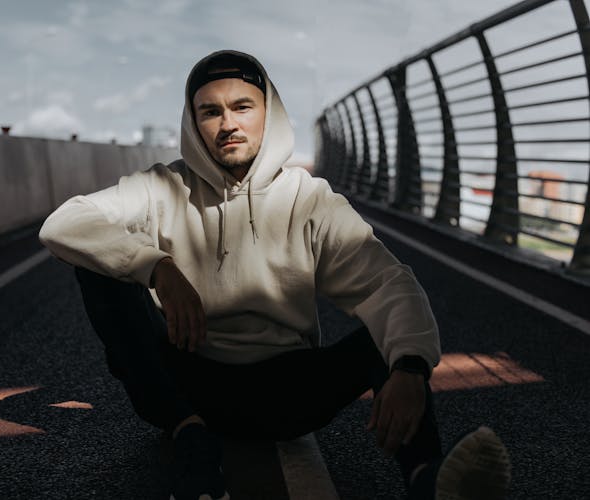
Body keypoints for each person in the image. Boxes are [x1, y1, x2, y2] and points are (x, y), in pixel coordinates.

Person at [38, 50, 511, 500]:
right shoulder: (163, 185)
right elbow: (64, 222)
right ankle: (192, 440)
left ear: (270, 112)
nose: (227, 125)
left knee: (388, 338)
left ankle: (428, 479)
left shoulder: (310, 199)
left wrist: (409, 367)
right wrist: (155, 266)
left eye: (242, 107)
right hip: (188, 384)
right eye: (210, 112)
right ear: (193, 122)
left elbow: (387, 281)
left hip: (288, 391)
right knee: (97, 266)